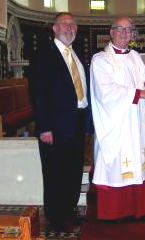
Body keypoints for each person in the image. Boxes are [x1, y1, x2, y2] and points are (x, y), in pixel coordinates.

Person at [90, 16, 145, 221]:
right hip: (116, 124)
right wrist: (144, 94)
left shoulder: (134, 57)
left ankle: (142, 209)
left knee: (140, 160)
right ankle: (117, 211)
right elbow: (106, 93)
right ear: (111, 32)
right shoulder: (100, 60)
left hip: (137, 123)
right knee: (119, 165)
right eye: (120, 29)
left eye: (128, 30)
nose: (124, 33)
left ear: (133, 34)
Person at [30, 12, 92, 231]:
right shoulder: (43, 54)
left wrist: (86, 124)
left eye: (73, 24)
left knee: (73, 170)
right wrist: (44, 126)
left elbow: (83, 91)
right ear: (54, 29)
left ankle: (69, 210)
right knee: (55, 172)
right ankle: (56, 218)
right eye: (64, 24)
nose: (69, 28)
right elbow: (38, 94)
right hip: (54, 127)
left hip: (76, 123)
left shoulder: (76, 55)